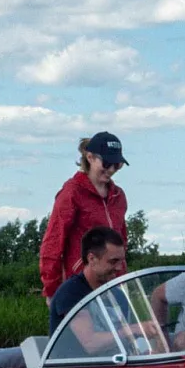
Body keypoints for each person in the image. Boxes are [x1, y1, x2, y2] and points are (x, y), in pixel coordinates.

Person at [39, 131, 129, 307]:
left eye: (117, 165)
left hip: (113, 285)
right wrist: (52, 289)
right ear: (90, 158)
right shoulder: (72, 193)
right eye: (107, 163)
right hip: (80, 285)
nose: (111, 169)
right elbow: (53, 243)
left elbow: (122, 240)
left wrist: (123, 278)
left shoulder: (118, 196)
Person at [49, 227, 160, 356]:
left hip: (115, 366)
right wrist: (133, 330)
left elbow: (128, 341)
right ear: (91, 259)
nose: (119, 268)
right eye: (113, 261)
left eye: (121, 261)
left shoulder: (117, 294)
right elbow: (90, 343)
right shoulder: (71, 292)